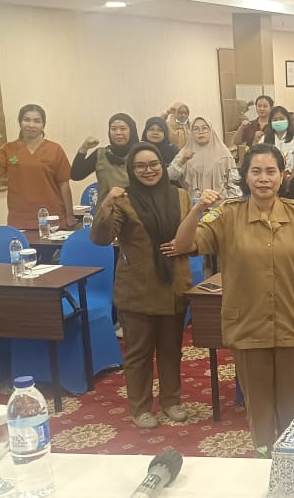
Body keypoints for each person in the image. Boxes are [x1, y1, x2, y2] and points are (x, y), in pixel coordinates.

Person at [171, 145, 294, 458]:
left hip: (292, 323)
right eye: (256, 171)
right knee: (258, 404)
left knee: (292, 401)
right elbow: (183, 245)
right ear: (245, 176)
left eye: (270, 171)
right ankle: (262, 457)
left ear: (282, 176)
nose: (263, 179)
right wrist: (197, 208)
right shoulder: (227, 215)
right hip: (248, 324)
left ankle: (292, 460)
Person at [90, 142, 192, 429]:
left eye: (154, 164)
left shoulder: (181, 196)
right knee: (139, 353)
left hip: (173, 285)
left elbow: (190, 234)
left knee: (171, 350)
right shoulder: (123, 199)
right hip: (137, 289)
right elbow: (100, 238)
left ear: (162, 165)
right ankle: (140, 407)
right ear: (131, 170)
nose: (149, 170)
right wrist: (106, 204)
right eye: (141, 166)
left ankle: (171, 401)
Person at [0, 104, 74, 229]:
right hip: (20, 219)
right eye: (26, 120)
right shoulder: (8, 149)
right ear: (20, 123)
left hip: (52, 217)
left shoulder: (55, 149)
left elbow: (64, 184)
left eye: (37, 121)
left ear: (43, 124)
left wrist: (70, 215)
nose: (31, 125)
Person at [73, 113, 138, 209]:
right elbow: (76, 175)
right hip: (106, 213)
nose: (118, 132)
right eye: (113, 129)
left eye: (123, 129)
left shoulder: (139, 154)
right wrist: (84, 148)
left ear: (131, 131)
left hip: (135, 211)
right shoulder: (101, 154)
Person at [167, 117, 242, 200]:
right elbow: (169, 176)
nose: (201, 132)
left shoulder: (224, 153)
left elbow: (234, 183)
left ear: (211, 131)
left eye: (205, 128)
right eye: (196, 129)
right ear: (191, 132)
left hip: (220, 204)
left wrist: (232, 204)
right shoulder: (185, 153)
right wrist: (181, 162)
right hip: (194, 205)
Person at [267, 106, 294, 177]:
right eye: (275, 120)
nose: (278, 122)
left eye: (281, 119)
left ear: (288, 120)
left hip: (289, 177)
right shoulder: (265, 138)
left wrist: (289, 180)